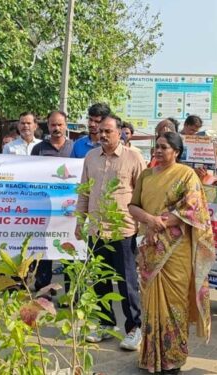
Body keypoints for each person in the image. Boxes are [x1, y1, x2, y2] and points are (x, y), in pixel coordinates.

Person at [128, 132, 215, 374]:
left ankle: (173, 358)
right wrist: (150, 219)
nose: (157, 151)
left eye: (164, 147)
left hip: (176, 249)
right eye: (156, 147)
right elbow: (132, 206)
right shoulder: (146, 175)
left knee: (175, 303)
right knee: (150, 304)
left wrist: (163, 223)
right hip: (150, 248)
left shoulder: (186, 175)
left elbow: (193, 209)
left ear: (176, 152)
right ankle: (150, 356)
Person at [75, 114, 146, 350]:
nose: (103, 135)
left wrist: (144, 227)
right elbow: (84, 191)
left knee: (127, 282)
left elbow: (142, 194)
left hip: (123, 230)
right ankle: (106, 324)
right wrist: (79, 221)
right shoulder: (91, 157)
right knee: (101, 280)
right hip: (96, 230)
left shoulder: (133, 157)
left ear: (120, 132)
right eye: (100, 131)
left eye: (108, 131)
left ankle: (134, 328)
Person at [31, 110, 75, 295]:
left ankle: (71, 293)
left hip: (70, 209)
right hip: (45, 206)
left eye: (60, 124)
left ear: (66, 125)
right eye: (52, 125)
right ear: (47, 126)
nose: (56, 128)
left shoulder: (75, 148)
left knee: (69, 248)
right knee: (45, 248)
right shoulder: (39, 149)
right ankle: (44, 290)